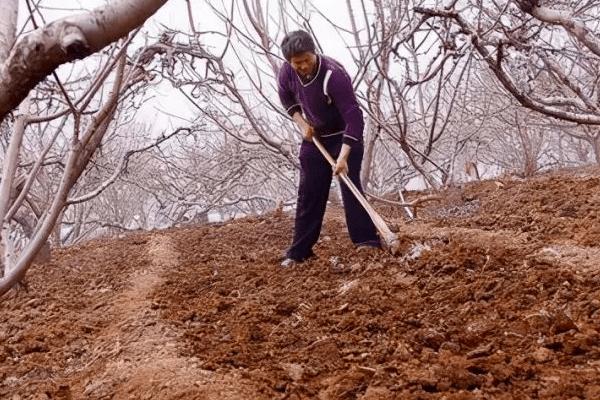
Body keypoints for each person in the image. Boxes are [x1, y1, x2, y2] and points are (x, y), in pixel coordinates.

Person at [277, 30, 381, 268]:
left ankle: (366, 240)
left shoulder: (334, 75)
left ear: (314, 53)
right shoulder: (287, 72)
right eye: (297, 63)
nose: (302, 66)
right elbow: (286, 98)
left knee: (350, 185)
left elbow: (354, 118)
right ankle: (299, 251)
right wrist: (302, 123)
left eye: (306, 60)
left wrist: (343, 156)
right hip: (316, 137)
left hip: (345, 136)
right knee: (309, 193)